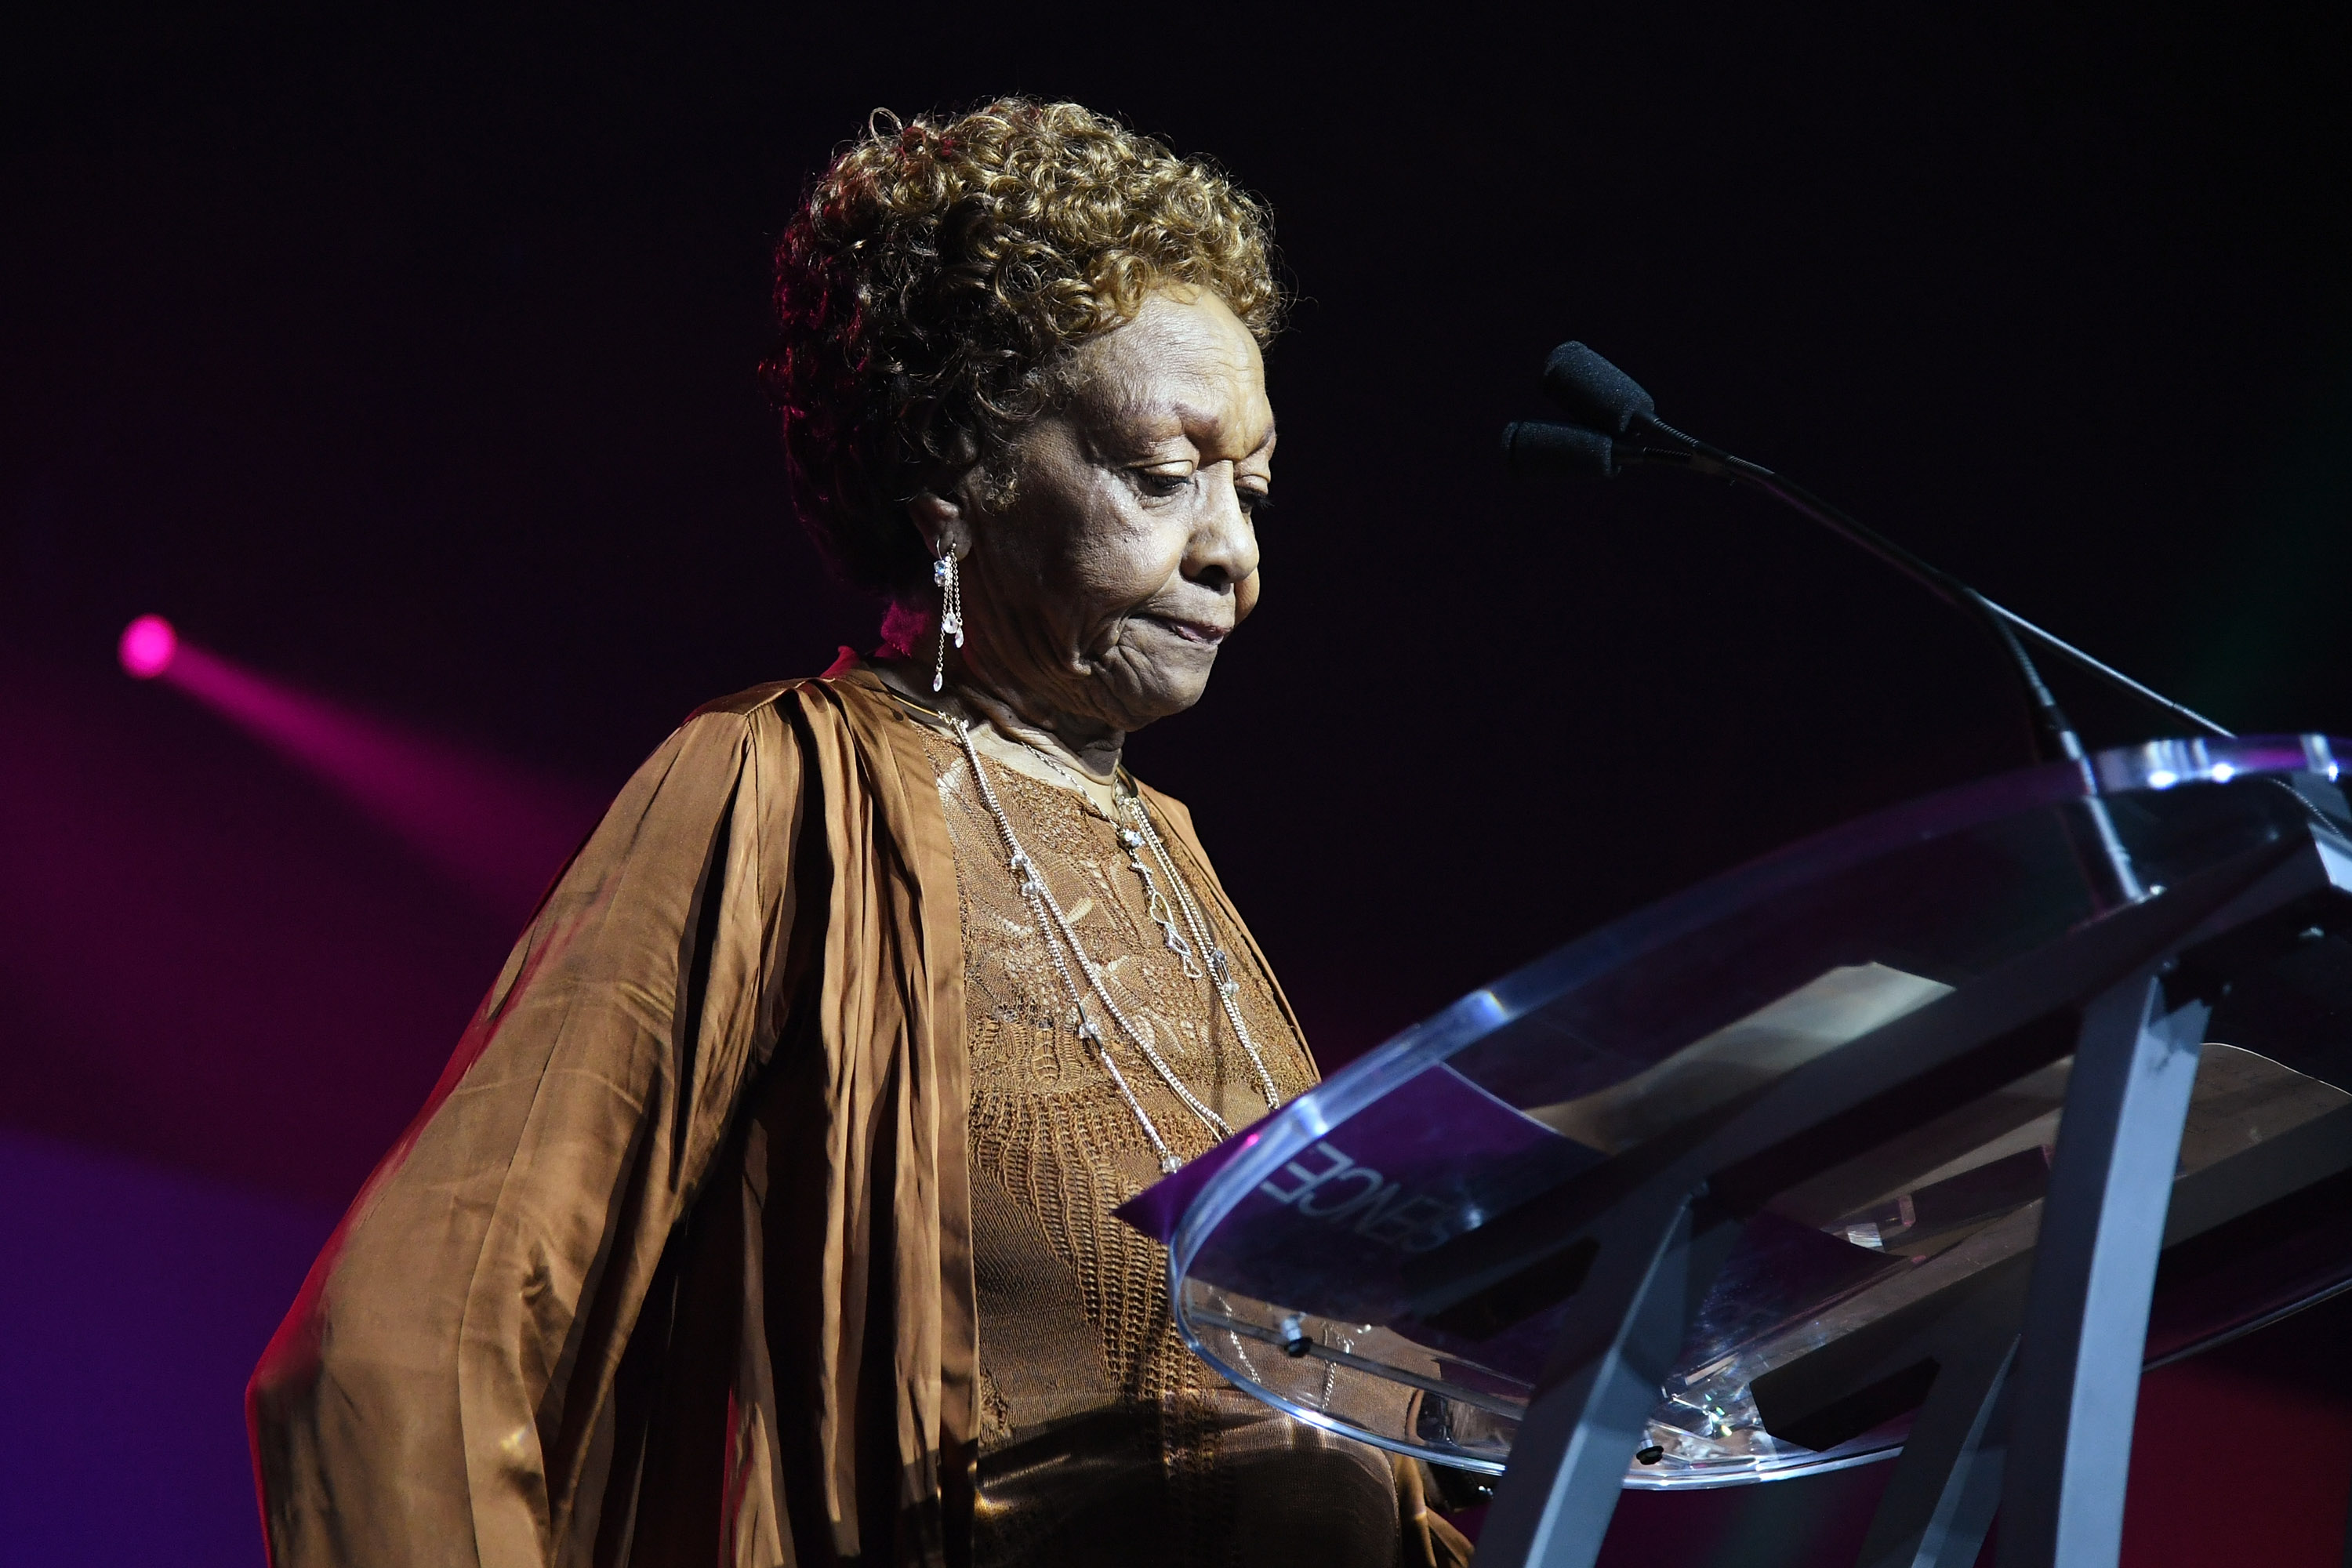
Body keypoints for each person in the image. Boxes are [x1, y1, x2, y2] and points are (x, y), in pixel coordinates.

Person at [248, 98, 1473, 1568]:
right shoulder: (776, 787)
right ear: (952, 476)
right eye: (1163, 477)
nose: (1235, 555)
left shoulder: (1176, 866)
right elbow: (410, 1336)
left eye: (1251, 490)